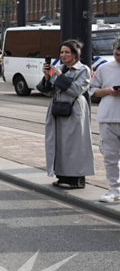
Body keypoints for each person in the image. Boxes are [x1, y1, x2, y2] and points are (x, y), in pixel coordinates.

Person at [37, 39, 94, 189]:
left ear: (75, 54)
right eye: (62, 52)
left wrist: (59, 75)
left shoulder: (83, 69)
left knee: (75, 145)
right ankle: (62, 176)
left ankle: (76, 180)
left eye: (67, 52)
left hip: (74, 109)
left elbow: (77, 90)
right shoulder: (59, 68)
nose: (63, 55)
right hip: (57, 109)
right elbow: (48, 90)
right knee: (58, 143)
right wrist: (47, 76)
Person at [91, 37, 120, 202]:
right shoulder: (104, 68)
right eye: (117, 54)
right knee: (110, 155)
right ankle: (114, 189)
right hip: (108, 116)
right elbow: (92, 91)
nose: (119, 58)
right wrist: (108, 91)